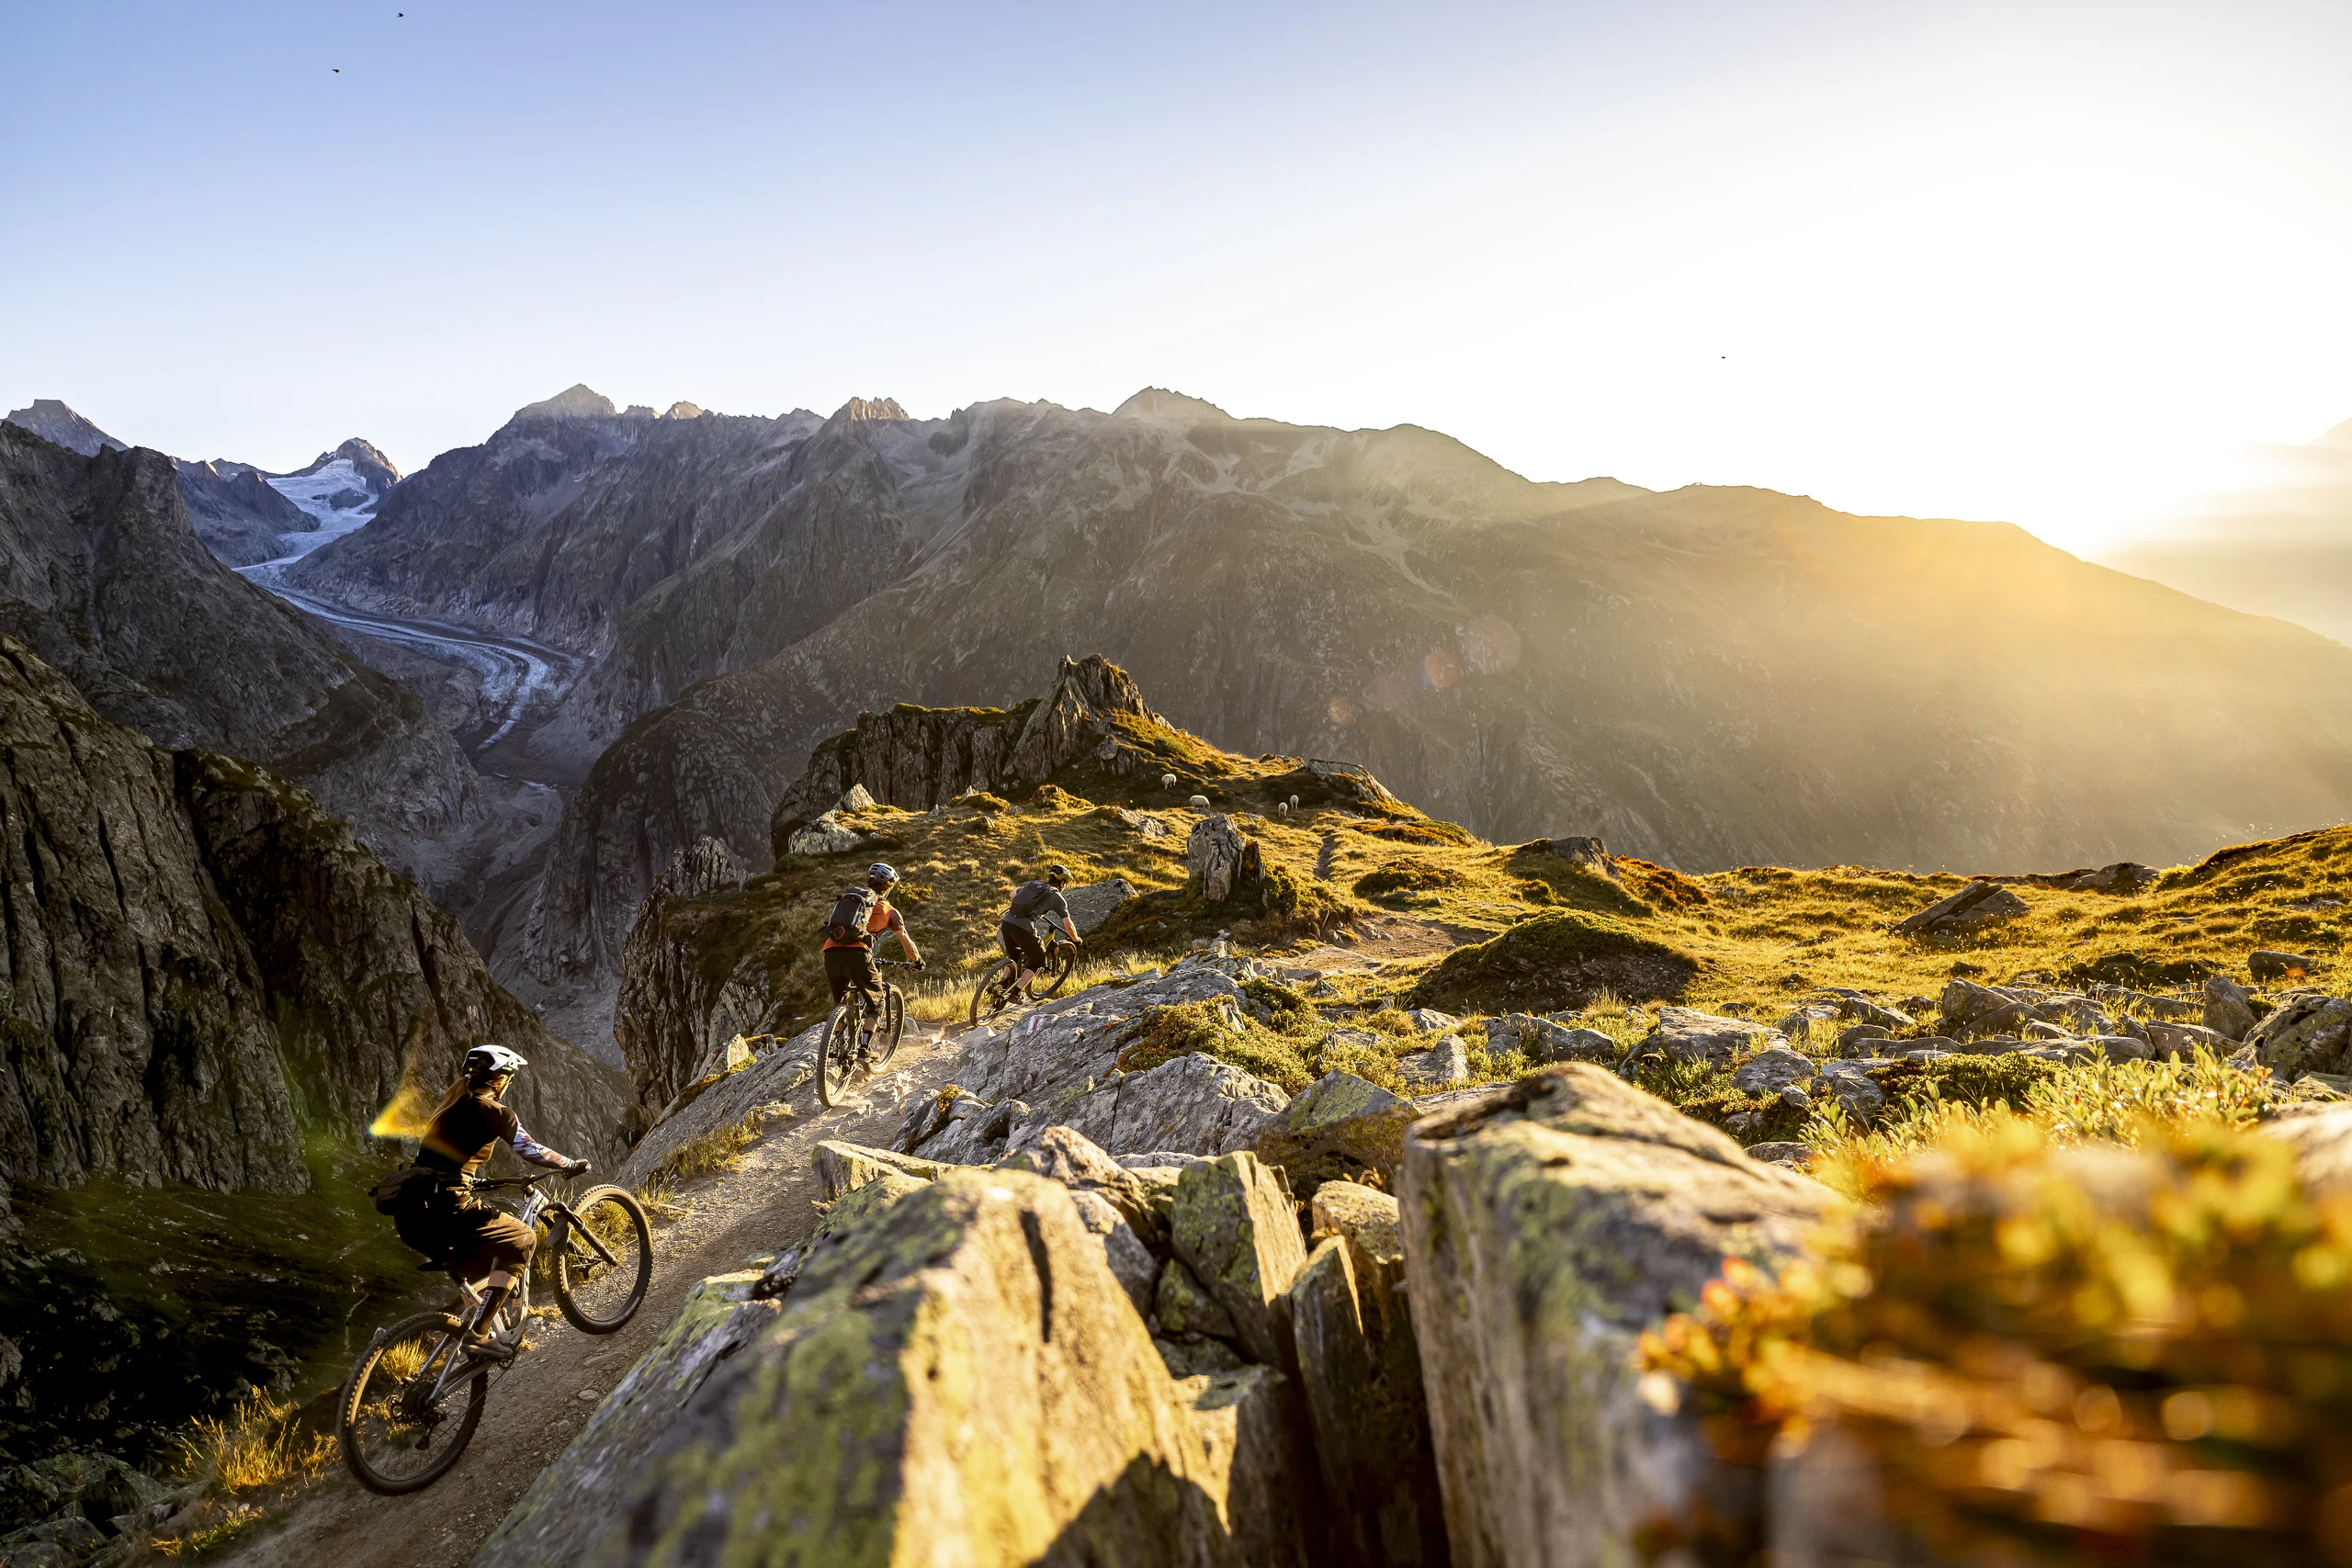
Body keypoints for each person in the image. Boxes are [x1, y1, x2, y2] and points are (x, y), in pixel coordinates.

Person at [391, 1044, 587, 1361]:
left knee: (479, 1266)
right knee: (524, 1240)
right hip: (449, 1208)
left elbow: (440, 1164)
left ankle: (475, 1330)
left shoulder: (448, 1108)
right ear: (501, 1079)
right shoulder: (496, 1112)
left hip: (412, 1214)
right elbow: (531, 1150)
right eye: (510, 1076)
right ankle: (479, 1335)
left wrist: (474, 1181)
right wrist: (569, 1164)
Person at [822, 862, 925, 1051]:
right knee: (877, 1003)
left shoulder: (852, 900)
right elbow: (906, 942)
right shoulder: (889, 910)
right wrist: (917, 960)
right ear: (890, 887)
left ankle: (837, 1046)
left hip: (830, 952)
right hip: (858, 954)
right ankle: (864, 1047)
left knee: (839, 1002)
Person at [1000, 863, 1080, 1000]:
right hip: (1023, 926)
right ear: (1062, 882)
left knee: (1014, 956)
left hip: (1007, 922)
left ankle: (1000, 987)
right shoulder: (1056, 897)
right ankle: (1016, 993)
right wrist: (1076, 939)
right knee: (1038, 959)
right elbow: (1068, 925)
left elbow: (1012, 894)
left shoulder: (1033, 885)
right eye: (1065, 883)